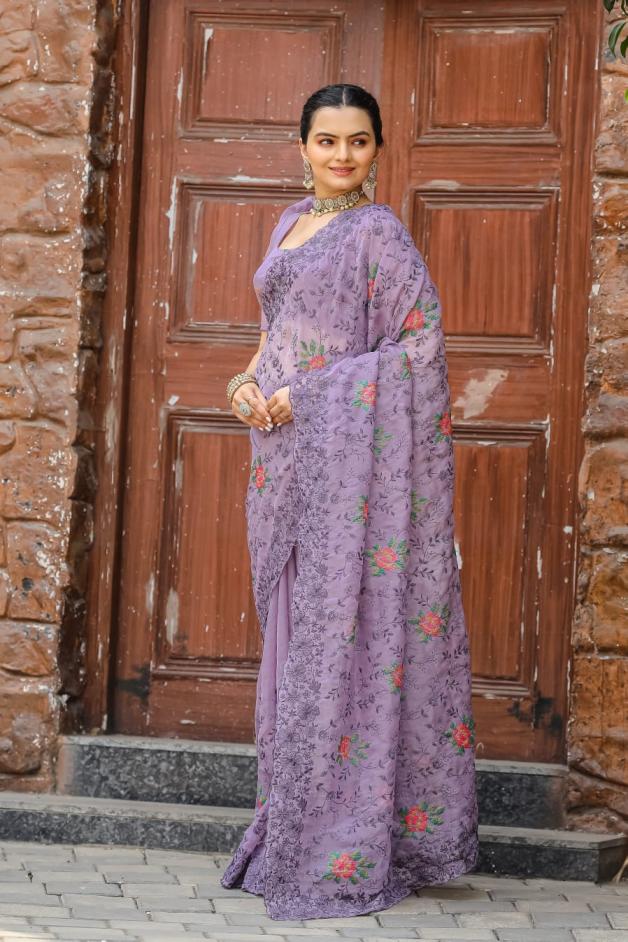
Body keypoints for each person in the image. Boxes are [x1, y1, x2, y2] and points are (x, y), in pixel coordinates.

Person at [221, 83, 479, 921]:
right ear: (301, 146)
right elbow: (274, 335)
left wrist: (313, 393)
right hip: (281, 460)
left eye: (358, 141)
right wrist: (243, 385)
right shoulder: (288, 223)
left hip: (349, 472)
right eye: (327, 140)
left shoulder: (380, 233)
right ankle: (286, 826)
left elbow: (417, 349)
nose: (342, 156)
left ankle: (339, 841)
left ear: (377, 149)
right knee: (291, 646)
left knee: (341, 640)